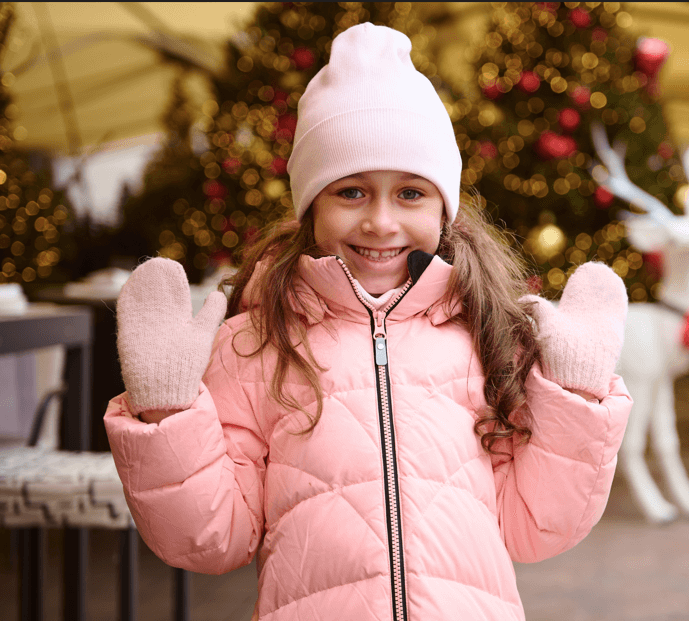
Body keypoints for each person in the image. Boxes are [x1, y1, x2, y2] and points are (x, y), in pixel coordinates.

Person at [104, 23, 631, 621]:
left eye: (410, 194)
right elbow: (210, 538)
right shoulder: (253, 345)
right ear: (312, 205)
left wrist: (575, 398)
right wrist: (165, 412)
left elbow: (539, 526)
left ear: (444, 210)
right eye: (351, 192)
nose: (381, 222)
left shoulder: (490, 338)